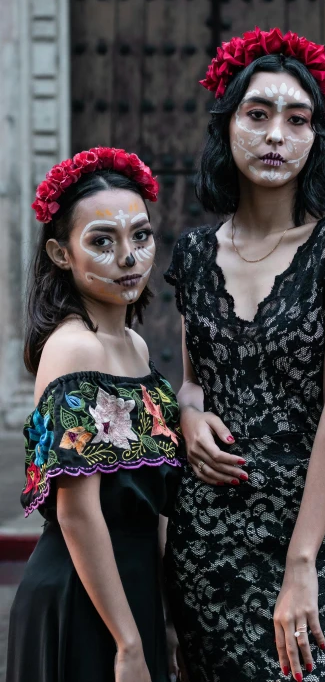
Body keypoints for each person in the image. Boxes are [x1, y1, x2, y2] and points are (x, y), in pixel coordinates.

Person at [163, 27, 325, 682]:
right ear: (228, 127)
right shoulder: (195, 254)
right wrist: (188, 413)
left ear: (316, 137)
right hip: (210, 530)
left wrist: (302, 562)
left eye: (298, 118)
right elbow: (194, 379)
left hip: (313, 531)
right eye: (258, 115)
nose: (277, 134)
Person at [7, 147, 183, 682]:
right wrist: (128, 643)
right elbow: (77, 513)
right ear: (62, 254)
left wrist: (164, 621)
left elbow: (151, 501)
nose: (128, 257)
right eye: (102, 241)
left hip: (131, 593)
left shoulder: (134, 345)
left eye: (141, 235)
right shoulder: (72, 349)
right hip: (82, 597)